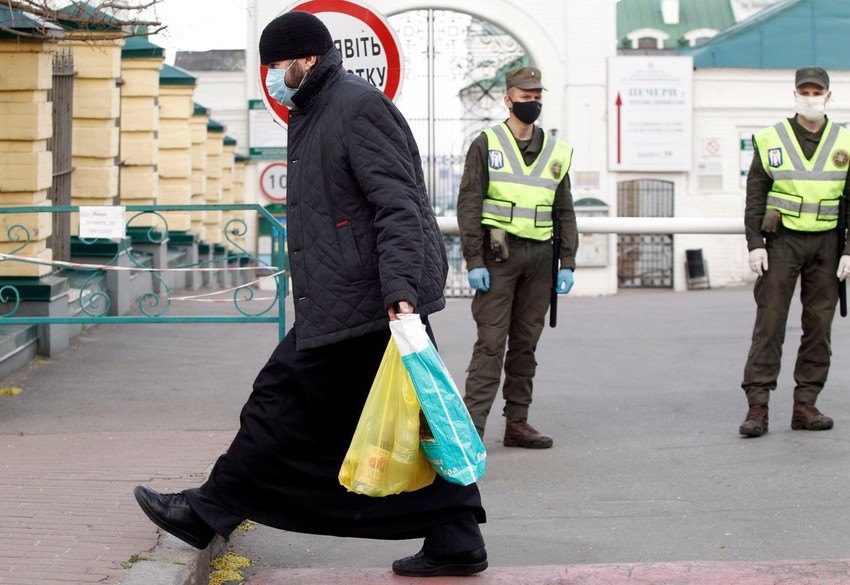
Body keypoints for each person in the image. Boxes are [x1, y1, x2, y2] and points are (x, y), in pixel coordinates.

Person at [132, 11, 487, 578]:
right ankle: (455, 534)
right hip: (347, 299)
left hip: (368, 302)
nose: (272, 75)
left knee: (277, 403)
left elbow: (399, 204)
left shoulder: (356, 106)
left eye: (278, 64)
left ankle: (208, 510)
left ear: (308, 59)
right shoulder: (318, 110)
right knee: (415, 424)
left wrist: (399, 291)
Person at [457, 66, 577, 449]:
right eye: (525, 98)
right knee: (491, 344)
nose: (532, 103)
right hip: (498, 256)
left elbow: (565, 211)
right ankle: (471, 429)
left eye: (537, 97)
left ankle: (517, 422)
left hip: (541, 258)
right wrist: (474, 261)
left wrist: (568, 263)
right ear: (508, 101)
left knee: (525, 343)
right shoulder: (486, 143)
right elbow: (469, 203)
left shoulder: (557, 151)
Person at [739, 66, 850, 438]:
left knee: (818, 326)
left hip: (828, 246)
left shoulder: (844, 141)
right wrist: (755, 243)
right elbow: (755, 195)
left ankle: (806, 404)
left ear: (828, 97)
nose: (810, 97)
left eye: (816, 92)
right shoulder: (771, 138)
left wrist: (849, 250)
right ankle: (758, 407)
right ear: (795, 94)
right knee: (769, 323)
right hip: (781, 242)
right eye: (804, 91)